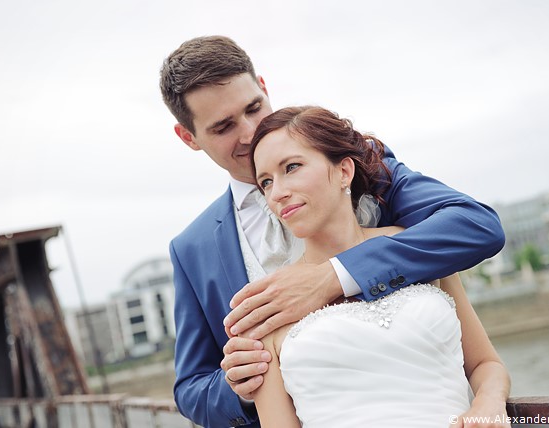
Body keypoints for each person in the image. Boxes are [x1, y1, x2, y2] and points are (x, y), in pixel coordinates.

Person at [160, 36, 506, 428]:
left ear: (264, 88)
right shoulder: (192, 249)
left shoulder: (363, 164)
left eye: (254, 107)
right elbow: (190, 387)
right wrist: (240, 385)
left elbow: (476, 225)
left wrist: (336, 274)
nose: (250, 131)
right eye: (223, 126)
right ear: (188, 137)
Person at [248, 106, 510, 427]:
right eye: (265, 182)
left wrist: (488, 402)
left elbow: (485, 364)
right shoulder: (268, 301)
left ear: (344, 171)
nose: (278, 192)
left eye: (292, 167)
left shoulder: (415, 249)